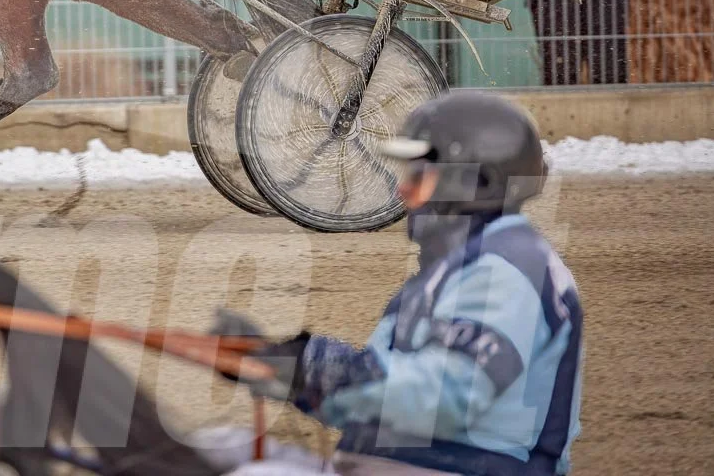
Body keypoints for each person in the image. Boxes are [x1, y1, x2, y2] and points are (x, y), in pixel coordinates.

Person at [207, 92, 583, 476]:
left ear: (476, 182)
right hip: (402, 465)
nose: (402, 190)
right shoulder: (457, 268)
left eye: (418, 176)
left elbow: (440, 399)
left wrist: (314, 367)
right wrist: (272, 363)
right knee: (211, 449)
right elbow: (380, 399)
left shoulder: (512, 268)